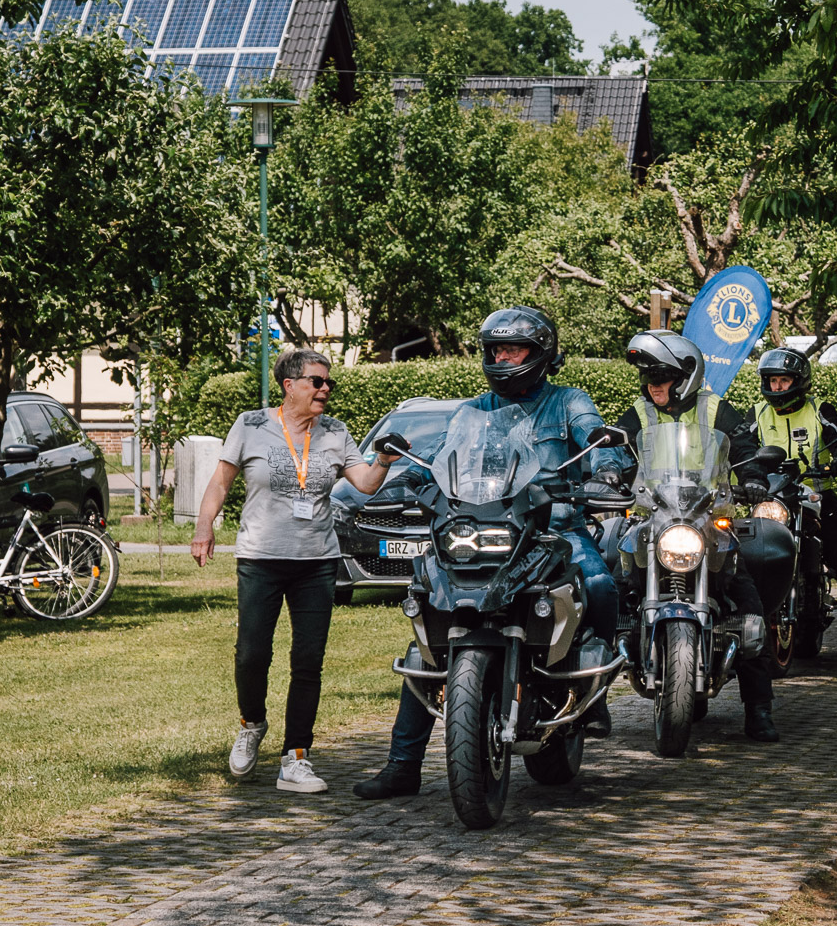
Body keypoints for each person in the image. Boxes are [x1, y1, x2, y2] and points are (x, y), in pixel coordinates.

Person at [354, 305, 625, 800]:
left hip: (554, 530)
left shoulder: (568, 401)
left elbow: (595, 436)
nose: (502, 358)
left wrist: (606, 467)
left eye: (513, 350)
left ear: (541, 354)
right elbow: (440, 454)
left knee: (601, 584)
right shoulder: (473, 411)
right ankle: (402, 765)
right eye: (496, 350)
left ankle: (593, 693)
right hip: (484, 529)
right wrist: (409, 476)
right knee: (430, 625)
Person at [191, 348, 402, 795]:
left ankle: (296, 757)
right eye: (316, 381)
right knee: (251, 654)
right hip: (260, 558)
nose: (325, 389)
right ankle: (252, 724)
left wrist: (383, 460)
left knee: (308, 660)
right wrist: (204, 525)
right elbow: (221, 481)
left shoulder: (335, 432)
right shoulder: (251, 424)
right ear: (289, 386)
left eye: (329, 383)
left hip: (317, 562)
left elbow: (365, 483)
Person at [613, 330, 777, 741]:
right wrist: (606, 471)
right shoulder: (639, 414)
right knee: (606, 595)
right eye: (647, 377)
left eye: (661, 377)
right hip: (651, 521)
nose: (652, 385)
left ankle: (759, 709)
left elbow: (745, 448)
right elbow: (612, 449)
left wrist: (754, 478)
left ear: (686, 377)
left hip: (709, 521)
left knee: (750, 606)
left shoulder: (715, 409)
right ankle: (589, 707)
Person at [752, 348, 837, 666]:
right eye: (772, 380)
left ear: (799, 381)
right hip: (774, 500)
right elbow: (738, 446)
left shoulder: (818, 409)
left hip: (817, 498)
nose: (778, 387)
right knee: (748, 559)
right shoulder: (757, 414)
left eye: (784, 380)